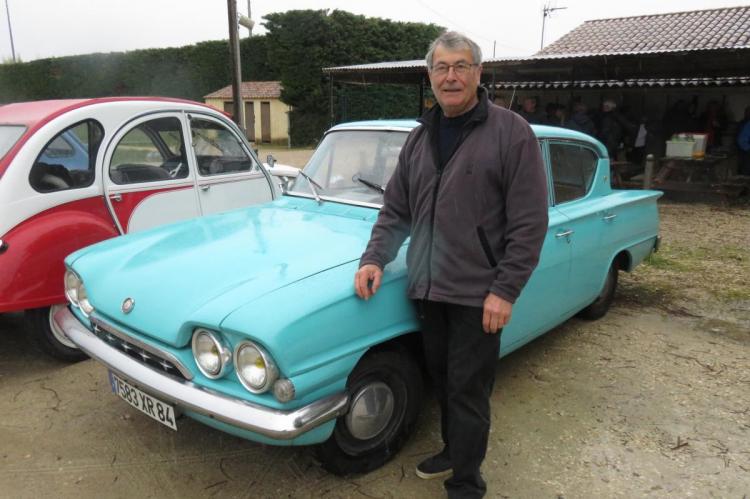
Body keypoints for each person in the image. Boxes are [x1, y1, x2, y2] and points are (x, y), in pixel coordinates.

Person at [354, 31, 548, 498]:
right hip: (427, 286)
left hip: (478, 292)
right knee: (441, 380)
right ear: (431, 76)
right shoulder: (421, 137)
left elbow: (529, 221)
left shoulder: (510, 132)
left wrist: (506, 290)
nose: (451, 76)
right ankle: (452, 451)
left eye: (461, 66)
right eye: (442, 68)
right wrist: (375, 256)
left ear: (478, 74)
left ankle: (466, 483)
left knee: (468, 390)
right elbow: (397, 208)